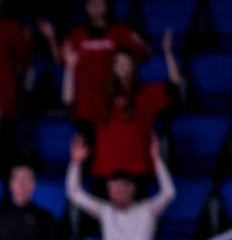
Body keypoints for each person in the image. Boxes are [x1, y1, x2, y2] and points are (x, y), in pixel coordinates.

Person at [63, 32, 179, 184]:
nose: (122, 65)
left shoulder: (145, 94)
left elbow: (174, 86)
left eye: (126, 62)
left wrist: (168, 54)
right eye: (118, 62)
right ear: (113, 68)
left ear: (133, 66)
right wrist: (70, 68)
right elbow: (68, 100)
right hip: (104, 172)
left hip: (138, 171)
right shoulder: (100, 97)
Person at [44, 0, 149, 125]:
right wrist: (51, 38)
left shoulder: (119, 32)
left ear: (106, 6)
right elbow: (61, 60)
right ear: (86, 8)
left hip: (111, 106)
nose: (94, 4)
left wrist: (140, 41)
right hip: (83, 108)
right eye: (91, 1)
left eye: (99, 1)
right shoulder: (77, 35)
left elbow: (144, 56)